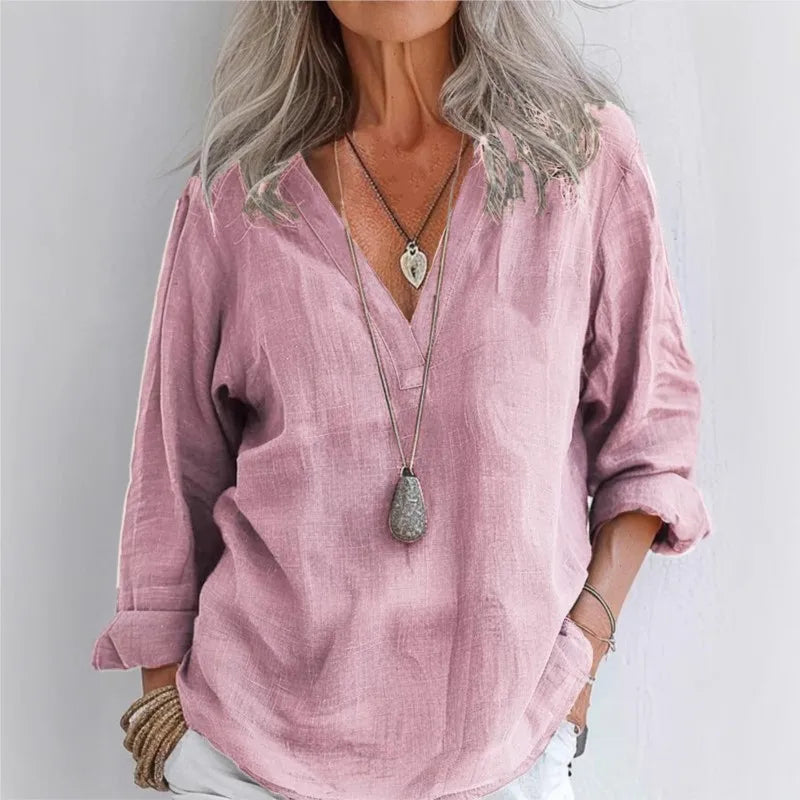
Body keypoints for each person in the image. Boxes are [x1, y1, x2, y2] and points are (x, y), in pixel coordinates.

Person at [90, 2, 712, 799]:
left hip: (507, 755)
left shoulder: (579, 165)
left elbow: (651, 441)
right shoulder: (237, 199)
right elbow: (172, 476)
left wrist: (578, 666)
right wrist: (168, 727)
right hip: (249, 758)